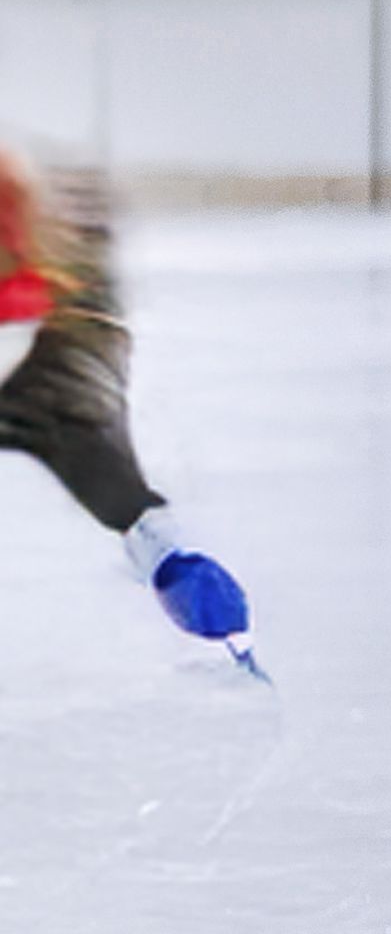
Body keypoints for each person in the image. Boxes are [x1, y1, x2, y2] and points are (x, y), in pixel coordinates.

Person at [0, 140, 258, 671]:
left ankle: (177, 567)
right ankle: (176, 564)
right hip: (71, 358)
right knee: (129, 504)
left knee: (121, 492)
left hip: (62, 354)